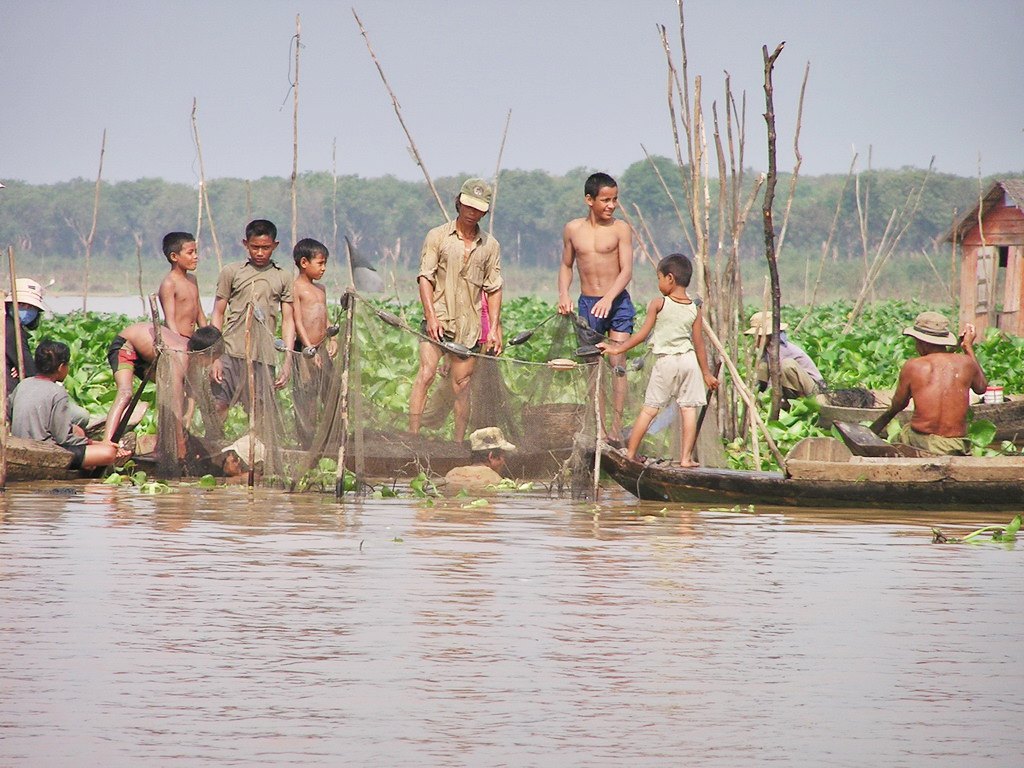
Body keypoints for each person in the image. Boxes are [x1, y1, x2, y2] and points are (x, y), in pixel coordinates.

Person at [598, 254, 718, 467]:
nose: (659, 283)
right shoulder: (694, 308)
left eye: (659, 278)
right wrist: (707, 373)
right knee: (688, 409)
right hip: (689, 362)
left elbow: (642, 335)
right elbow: (699, 344)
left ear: (670, 278)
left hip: (667, 362)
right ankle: (686, 458)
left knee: (650, 409)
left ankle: (631, 453)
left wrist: (616, 347)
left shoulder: (659, 304)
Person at [409, 178, 503, 443]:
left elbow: (493, 288)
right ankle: (412, 438)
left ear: (484, 211)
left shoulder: (490, 246)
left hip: (469, 328)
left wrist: (493, 328)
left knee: (461, 387)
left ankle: (458, 443)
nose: (471, 212)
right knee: (426, 374)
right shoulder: (437, 236)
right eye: (468, 206)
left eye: (478, 208)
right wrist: (430, 317)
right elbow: (425, 277)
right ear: (459, 203)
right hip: (437, 320)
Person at [557, 171, 634, 440]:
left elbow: (626, 272)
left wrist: (609, 298)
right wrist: (563, 295)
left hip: (617, 301)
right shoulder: (573, 229)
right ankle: (599, 428)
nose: (611, 205)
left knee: (617, 360)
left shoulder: (620, 229)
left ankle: (616, 427)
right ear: (589, 200)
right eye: (605, 200)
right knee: (593, 366)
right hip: (588, 303)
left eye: (614, 199)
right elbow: (567, 266)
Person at [869, 311, 987, 455]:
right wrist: (967, 347)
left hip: (923, 442)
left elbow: (899, 405)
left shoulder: (914, 366)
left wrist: (878, 425)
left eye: (916, 342)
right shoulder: (967, 362)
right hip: (956, 443)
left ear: (922, 342)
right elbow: (981, 388)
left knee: (900, 436)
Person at [210, 219, 295, 415]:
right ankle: (212, 444)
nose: (259, 253)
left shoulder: (283, 276)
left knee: (260, 411)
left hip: (264, 356)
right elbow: (218, 312)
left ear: (275, 246)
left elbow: (289, 320)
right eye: (254, 247)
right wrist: (215, 356)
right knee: (219, 407)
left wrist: (288, 360)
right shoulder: (231, 272)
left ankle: (257, 446)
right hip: (231, 351)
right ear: (245, 244)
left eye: (265, 248)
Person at [103, 323, 223, 452]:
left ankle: (166, 440)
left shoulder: (193, 353)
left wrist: (188, 418)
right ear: (201, 356)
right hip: (126, 346)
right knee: (125, 393)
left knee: (177, 398)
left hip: (150, 357)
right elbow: (175, 401)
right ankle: (107, 441)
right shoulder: (179, 356)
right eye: (212, 359)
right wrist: (180, 442)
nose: (211, 364)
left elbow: (191, 389)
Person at [9, 340, 125, 470]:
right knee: (108, 453)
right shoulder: (57, 392)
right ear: (61, 367)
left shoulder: (23, 384)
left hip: (19, 446)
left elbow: (9, 413)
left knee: (78, 430)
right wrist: (98, 443)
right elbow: (63, 438)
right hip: (45, 452)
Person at [291, 238, 336, 448]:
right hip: (304, 350)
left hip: (322, 347)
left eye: (325, 263)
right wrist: (309, 348)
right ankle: (307, 443)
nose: (324, 268)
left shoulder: (321, 289)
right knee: (307, 396)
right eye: (320, 263)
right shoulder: (296, 288)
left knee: (329, 392)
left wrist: (332, 338)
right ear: (304, 262)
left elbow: (324, 317)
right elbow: (298, 321)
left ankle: (328, 440)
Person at [745, 311, 825, 401]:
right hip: (792, 386)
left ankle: (804, 400)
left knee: (787, 364)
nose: (756, 340)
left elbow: (774, 375)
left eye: (758, 336)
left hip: (814, 390)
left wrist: (767, 397)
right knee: (763, 366)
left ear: (768, 335)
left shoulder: (780, 348)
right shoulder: (767, 349)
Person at [158, 231, 207, 338]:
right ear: (174, 257)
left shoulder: (192, 279)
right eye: (190, 253)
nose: (195, 256)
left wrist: (207, 338)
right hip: (176, 339)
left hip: (191, 339)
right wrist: (177, 341)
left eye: (195, 252)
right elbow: (170, 319)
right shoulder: (169, 283)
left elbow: (199, 312)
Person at [4, 277, 47, 394]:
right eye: (22, 305)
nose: (27, 310)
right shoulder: (11, 329)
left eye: (31, 307)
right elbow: (29, 370)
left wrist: (19, 367)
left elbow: (23, 364)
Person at [443, 426, 515, 492]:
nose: (503, 462)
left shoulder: (451, 474)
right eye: (503, 456)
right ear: (491, 456)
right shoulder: (494, 479)